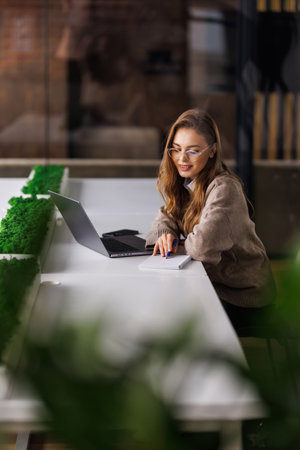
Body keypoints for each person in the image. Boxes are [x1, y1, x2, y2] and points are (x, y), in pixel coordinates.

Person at [146, 108, 276, 336]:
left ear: (212, 151)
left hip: (243, 296)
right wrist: (166, 235)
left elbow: (202, 247)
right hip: (214, 283)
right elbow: (163, 217)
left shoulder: (225, 189)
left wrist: (175, 243)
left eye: (193, 151)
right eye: (176, 150)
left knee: (176, 322)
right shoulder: (188, 181)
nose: (181, 159)